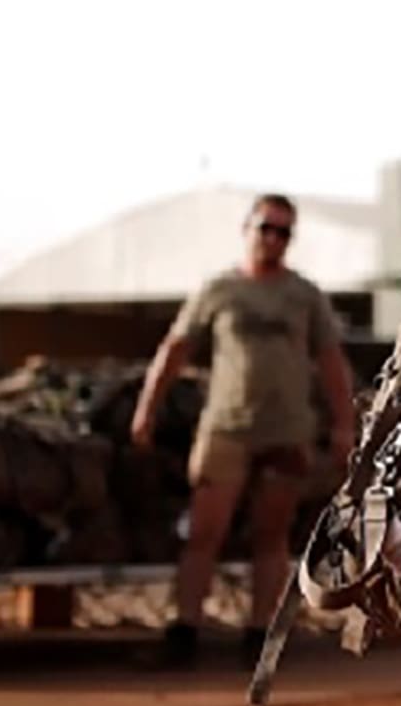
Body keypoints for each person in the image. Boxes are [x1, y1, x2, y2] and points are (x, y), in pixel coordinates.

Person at [131, 195, 357, 668]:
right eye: (266, 228)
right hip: (227, 427)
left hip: (285, 431)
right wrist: (147, 408)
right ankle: (184, 629)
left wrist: (344, 425)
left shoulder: (304, 296)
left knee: (271, 536)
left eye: (283, 232)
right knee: (204, 532)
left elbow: (331, 363)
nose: (273, 239)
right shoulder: (220, 290)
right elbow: (175, 348)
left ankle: (260, 634)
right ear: (247, 229)